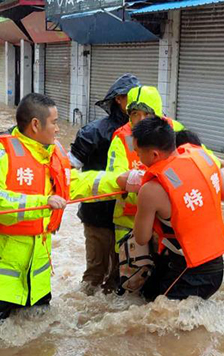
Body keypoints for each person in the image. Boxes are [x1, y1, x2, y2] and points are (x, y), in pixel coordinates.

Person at [0, 93, 122, 324]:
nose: (58, 129)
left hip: (35, 282)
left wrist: (119, 181)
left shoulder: (53, 154)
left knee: (38, 350)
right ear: (36, 125)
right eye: (55, 122)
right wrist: (42, 202)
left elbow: (75, 184)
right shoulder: (1, 153)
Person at [123, 117, 224, 301]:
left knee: (156, 319)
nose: (137, 157)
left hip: (188, 269)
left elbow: (141, 237)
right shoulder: (203, 159)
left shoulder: (151, 190)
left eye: (138, 152)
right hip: (216, 263)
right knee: (149, 297)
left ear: (154, 155)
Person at [68, 74, 140, 295]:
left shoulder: (147, 132)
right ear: (119, 99)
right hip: (98, 217)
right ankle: (86, 313)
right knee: (96, 272)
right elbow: (67, 171)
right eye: (133, 97)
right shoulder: (92, 132)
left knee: (122, 274)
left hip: (129, 217)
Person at [106, 86, 186, 254]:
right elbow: (115, 177)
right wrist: (150, 180)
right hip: (129, 219)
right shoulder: (121, 138)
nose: (141, 120)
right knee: (131, 275)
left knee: (166, 272)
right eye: (135, 114)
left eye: (147, 114)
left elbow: (197, 154)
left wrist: (221, 163)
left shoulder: (174, 128)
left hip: (167, 219)